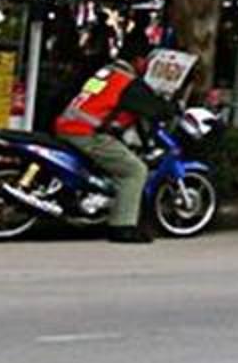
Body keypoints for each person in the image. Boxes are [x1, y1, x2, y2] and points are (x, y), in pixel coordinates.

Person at [54, 53, 178, 243]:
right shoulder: (128, 82)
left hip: (66, 126)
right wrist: (171, 108)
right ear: (139, 60)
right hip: (86, 134)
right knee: (135, 170)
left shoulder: (105, 74)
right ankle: (123, 226)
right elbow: (155, 109)